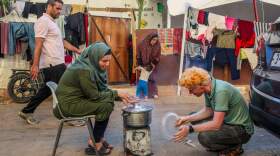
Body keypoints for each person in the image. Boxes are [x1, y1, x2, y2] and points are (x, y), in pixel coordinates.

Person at [55, 42, 137, 155]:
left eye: (109, 60)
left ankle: (97, 137)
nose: (107, 64)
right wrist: (117, 94)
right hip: (68, 105)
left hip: (77, 99)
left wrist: (121, 96)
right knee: (106, 106)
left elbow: (100, 90)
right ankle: (95, 142)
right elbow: (95, 96)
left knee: (107, 102)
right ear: (94, 56)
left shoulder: (90, 65)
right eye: (104, 61)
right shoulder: (84, 70)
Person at [18, 0, 82, 125]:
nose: (59, 11)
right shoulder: (43, 22)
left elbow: (62, 42)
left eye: (60, 9)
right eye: (57, 8)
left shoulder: (52, 23)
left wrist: (77, 50)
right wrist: (35, 65)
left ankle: (26, 111)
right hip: (53, 64)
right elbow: (38, 44)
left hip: (56, 63)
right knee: (67, 89)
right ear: (49, 6)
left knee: (46, 90)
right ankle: (68, 116)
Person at [174, 67, 254, 156]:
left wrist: (190, 129)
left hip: (241, 130)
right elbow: (208, 111)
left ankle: (234, 147)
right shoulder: (209, 88)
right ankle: (224, 143)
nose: (190, 92)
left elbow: (216, 125)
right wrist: (186, 118)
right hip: (227, 121)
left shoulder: (221, 91)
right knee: (192, 117)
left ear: (200, 85)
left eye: (191, 89)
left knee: (204, 137)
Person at [137, 33, 161, 98]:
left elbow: (158, 56)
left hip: (153, 64)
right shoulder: (142, 44)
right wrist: (139, 65)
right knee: (143, 80)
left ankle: (154, 93)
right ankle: (142, 94)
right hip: (144, 64)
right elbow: (139, 56)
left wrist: (152, 65)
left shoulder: (158, 45)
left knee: (153, 79)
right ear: (149, 39)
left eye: (156, 40)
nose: (154, 41)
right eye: (153, 40)